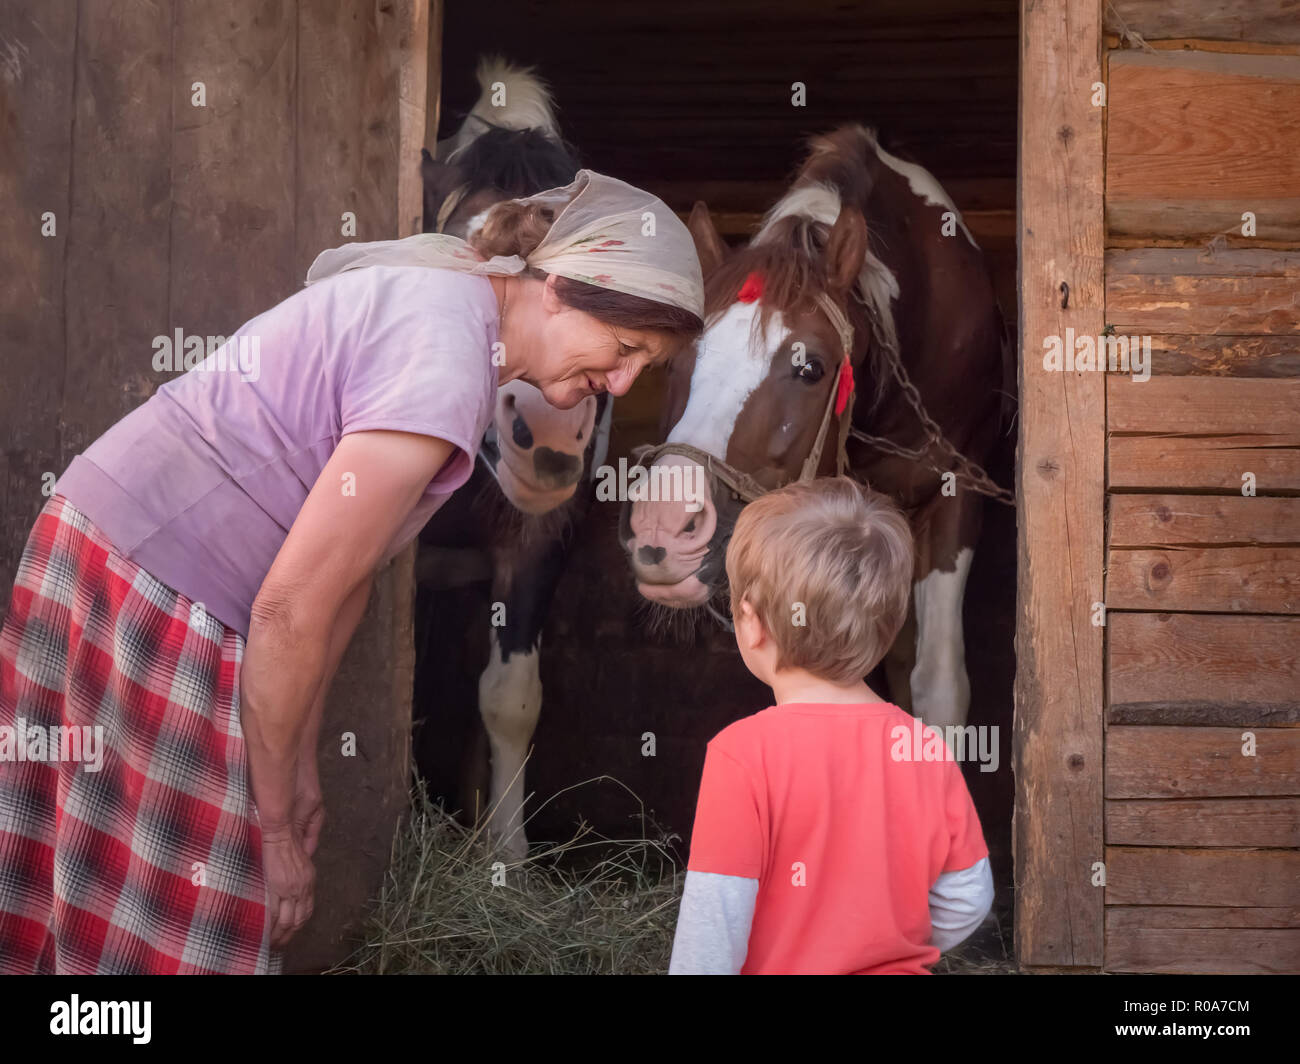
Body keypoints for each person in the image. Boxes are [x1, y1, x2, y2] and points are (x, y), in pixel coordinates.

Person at [0, 170, 704, 974]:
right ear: (562, 288)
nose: (619, 385)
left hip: (120, 551)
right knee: (195, 916)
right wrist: (270, 833)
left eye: (642, 367)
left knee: (91, 884)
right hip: (153, 576)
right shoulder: (445, 360)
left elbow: (349, 581)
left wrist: (297, 768)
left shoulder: (456, 316)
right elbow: (291, 608)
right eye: (625, 351)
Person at [668, 477, 993, 974]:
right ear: (890, 623)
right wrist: (888, 938)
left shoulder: (741, 755)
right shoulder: (923, 746)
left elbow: (712, 927)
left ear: (750, 622)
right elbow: (969, 896)